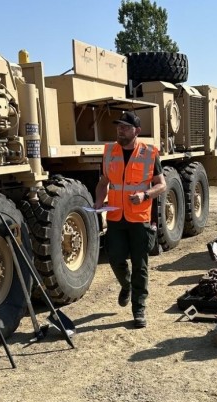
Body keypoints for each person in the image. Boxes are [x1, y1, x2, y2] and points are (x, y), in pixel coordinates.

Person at [95, 111, 166, 328]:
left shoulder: (149, 153)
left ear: (137, 131)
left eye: (125, 127)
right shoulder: (109, 152)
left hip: (139, 218)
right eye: (119, 126)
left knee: (140, 264)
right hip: (116, 216)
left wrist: (145, 195)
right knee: (115, 257)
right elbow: (104, 182)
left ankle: (139, 308)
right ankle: (126, 285)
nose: (120, 130)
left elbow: (161, 185)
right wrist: (98, 201)